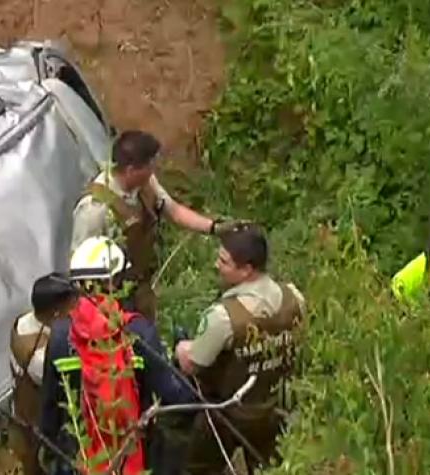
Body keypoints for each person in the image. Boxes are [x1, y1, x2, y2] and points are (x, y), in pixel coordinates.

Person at [39, 236, 195, 474]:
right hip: (132, 457)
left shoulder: (60, 334)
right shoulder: (138, 331)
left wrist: (50, 452)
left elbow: (50, 409)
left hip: (80, 459)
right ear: (117, 281)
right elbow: (175, 397)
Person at [174, 224, 306, 474]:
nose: (216, 265)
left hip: (226, 415)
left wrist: (182, 348)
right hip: (275, 411)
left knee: (198, 469)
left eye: (224, 261)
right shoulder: (294, 298)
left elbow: (192, 364)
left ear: (246, 269)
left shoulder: (222, 317)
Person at [71, 129, 245, 320]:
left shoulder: (145, 184)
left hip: (141, 286)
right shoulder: (94, 209)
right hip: (111, 299)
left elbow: (174, 212)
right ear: (130, 170)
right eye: (149, 165)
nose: (154, 170)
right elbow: (81, 268)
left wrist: (214, 227)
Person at [8, 272, 80, 475]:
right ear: (56, 311)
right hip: (39, 428)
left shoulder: (25, 321)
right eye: (72, 304)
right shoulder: (37, 356)